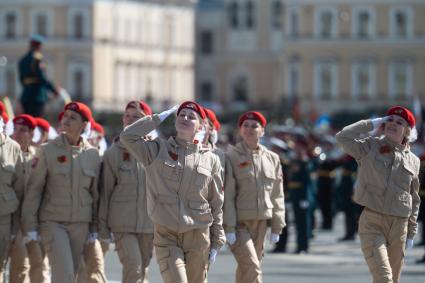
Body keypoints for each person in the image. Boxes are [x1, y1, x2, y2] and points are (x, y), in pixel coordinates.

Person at [120, 101, 225, 283]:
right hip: (166, 235)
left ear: (200, 126)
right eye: (181, 115)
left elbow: (216, 202)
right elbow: (127, 136)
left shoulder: (211, 160)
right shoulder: (156, 149)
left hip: (198, 236)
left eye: (192, 117)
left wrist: (217, 240)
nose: (185, 118)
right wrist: (158, 117)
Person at [336, 106, 421, 283]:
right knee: (384, 278)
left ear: (407, 130)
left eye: (399, 122)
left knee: (393, 280)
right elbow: (342, 137)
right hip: (373, 222)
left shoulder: (414, 160)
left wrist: (411, 231)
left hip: (400, 226)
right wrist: (371, 123)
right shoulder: (370, 146)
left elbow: (414, 198)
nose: (392, 124)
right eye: (389, 120)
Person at [21, 102, 101, 283]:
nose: (66, 120)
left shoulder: (93, 155)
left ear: (84, 125)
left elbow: (95, 195)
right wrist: (30, 226)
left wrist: (94, 228)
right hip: (53, 223)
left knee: (72, 275)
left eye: (73, 118)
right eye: (65, 116)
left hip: (81, 224)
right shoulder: (48, 150)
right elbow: (34, 190)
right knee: (63, 275)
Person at [223, 111, 285, 283]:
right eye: (245, 126)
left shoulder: (272, 158)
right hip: (239, 224)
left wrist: (277, 225)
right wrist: (229, 227)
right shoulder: (231, 156)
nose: (249, 129)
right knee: (252, 267)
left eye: (254, 126)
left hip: (261, 223)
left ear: (262, 131)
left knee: (248, 269)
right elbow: (227, 194)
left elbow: (277, 194)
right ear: (240, 130)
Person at [99, 100, 154, 283]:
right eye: (127, 116)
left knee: (142, 271)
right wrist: (102, 229)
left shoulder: (157, 152)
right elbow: (105, 193)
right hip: (122, 224)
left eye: (136, 117)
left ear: (147, 122)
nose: (130, 120)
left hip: (149, 225)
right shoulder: (113, 153)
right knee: (134, 268)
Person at [18, 35, 59, 117]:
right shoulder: (37, 59)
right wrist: (54, 90)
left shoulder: (22, 60)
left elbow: (21, 80)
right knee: (36, 121)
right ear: (38, 46)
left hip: (26, 96)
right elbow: (42, 78)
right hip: (37, 96)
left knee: (28, 121)